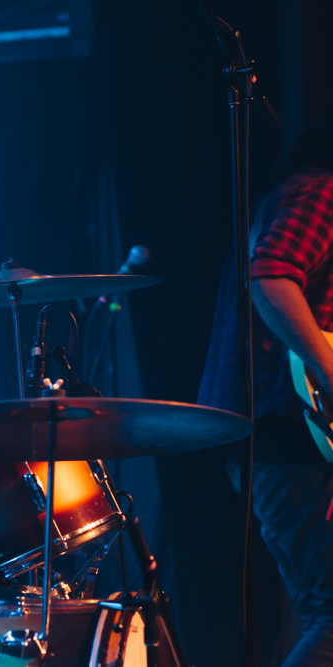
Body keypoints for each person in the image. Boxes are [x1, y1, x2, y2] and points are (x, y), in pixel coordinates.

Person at [198, 117, 333, 666]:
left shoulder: (292, 194)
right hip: (289, 433)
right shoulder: (323, 192)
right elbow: (272, 275)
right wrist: (328, 370)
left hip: (276, 436)